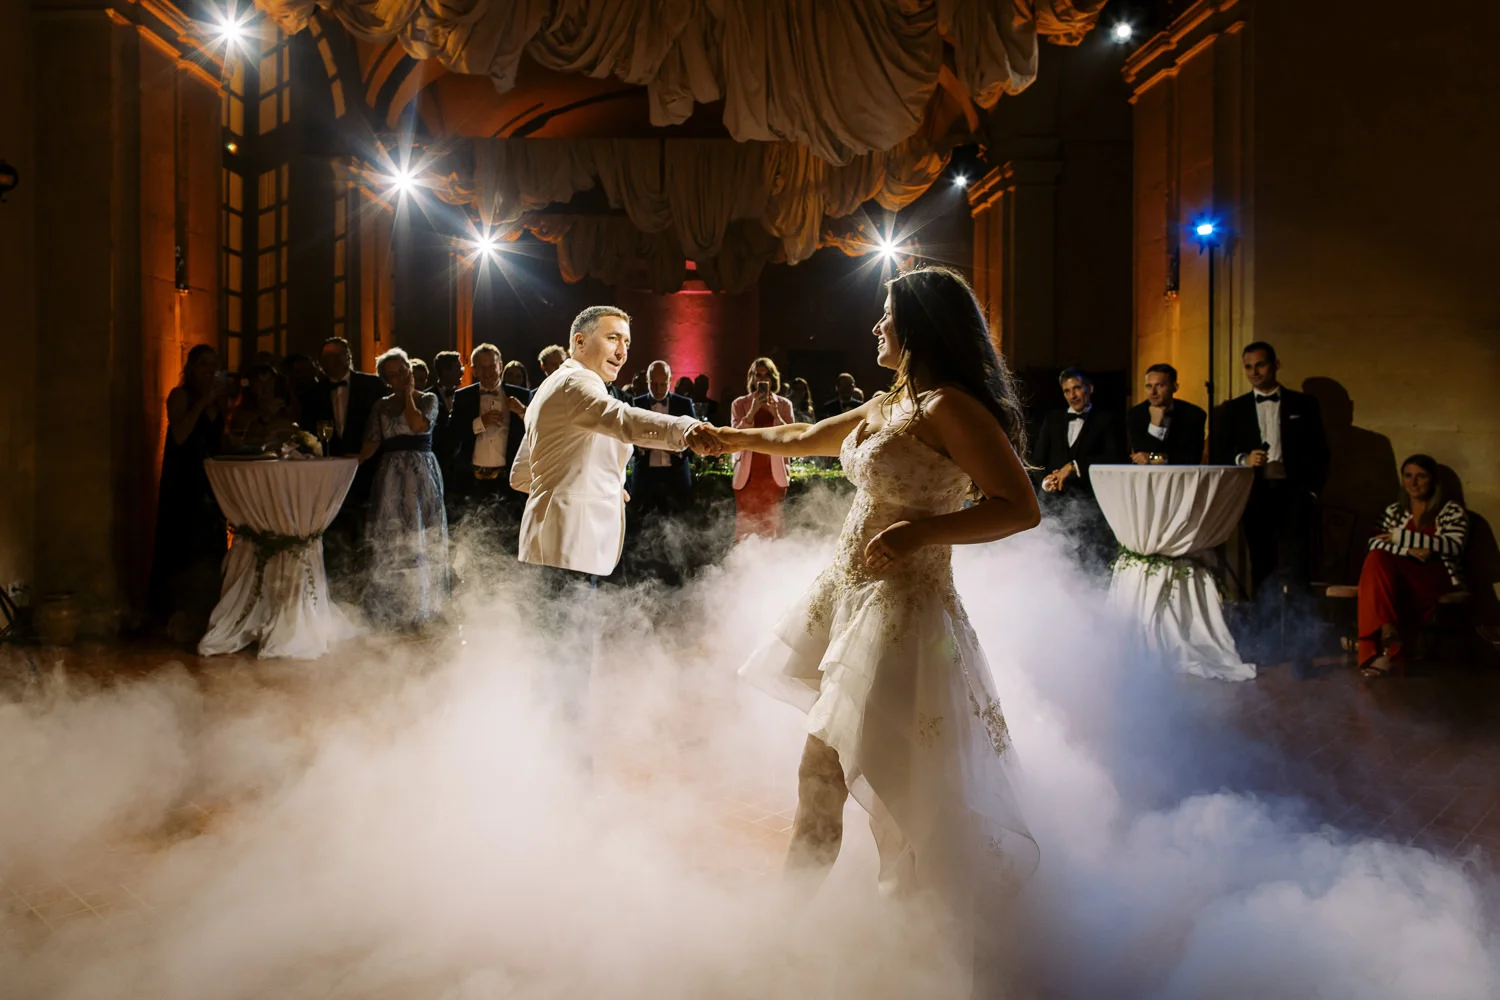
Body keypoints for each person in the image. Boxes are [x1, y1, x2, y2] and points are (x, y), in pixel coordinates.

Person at [706, 266, 1039, 952]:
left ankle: (925, 944)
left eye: (885, 315)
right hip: (847, 603)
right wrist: (726, 438)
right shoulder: (889, 404)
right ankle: (802, 931)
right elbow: (803, 440)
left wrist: (923, 530)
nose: (875, 326)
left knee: (886, 786)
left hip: (904, 619)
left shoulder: (949, 407)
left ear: (917, 326)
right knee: (826, 777)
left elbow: (1020, 508)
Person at [509, 307, 714, 766]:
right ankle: (567, 779)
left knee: (558, 663)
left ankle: (546, 766)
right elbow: (623, 420)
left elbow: (523, 474)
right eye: (612, 338)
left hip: (552, 542)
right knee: (567, 668)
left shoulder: (551, 387)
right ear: (579, 342)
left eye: (626, 340)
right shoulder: (579, 384)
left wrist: (599, 486)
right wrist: (688, 430)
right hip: (567, 547)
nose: (622, 350)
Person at [1213, 341, 1330, 600]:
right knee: (1261, 564)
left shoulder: (1304, 404)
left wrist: (1311, 493)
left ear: (1275, 365)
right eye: (1248, 367)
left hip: (1294, 494)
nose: (1254, 372)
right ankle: (1263, 631)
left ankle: (1301, 632)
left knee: (1298, 565)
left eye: (1260, 365)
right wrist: (1243, 459)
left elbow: (1320, 452)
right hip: (1255, 495)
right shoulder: (1234, 409)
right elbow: (1218, 453)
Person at [1356, 454, 1468, 678]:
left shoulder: (1450, 511)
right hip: (1400, 575)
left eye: (1421, 476)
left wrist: (1398, 537)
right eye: (1407, 476)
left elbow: (1453, 545)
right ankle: (1388, 631)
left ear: (1433, 480)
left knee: (1379, 566)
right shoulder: (1394, 511)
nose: (1413, 483)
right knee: (1376, 558)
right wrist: (1408, 550)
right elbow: (1374, 542)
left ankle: (1383, 647)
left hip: (1436, 576)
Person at [359, 348, 448, 628]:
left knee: (422, 532)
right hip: (391, 475)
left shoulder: (429, 399)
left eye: (404, 370)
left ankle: (423, 606)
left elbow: (419, 426)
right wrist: (344, 466)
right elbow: (372, 443)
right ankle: (393, 606)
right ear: (387, 380)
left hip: (422, 471)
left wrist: (408, 395)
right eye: (394, 374)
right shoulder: (380, 405)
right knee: (392, 532)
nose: (402, 376)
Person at [149, 345, 231, 638]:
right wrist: (202, 403)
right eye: (204, 364)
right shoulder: (179, 395)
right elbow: (180, 435)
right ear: (192, 368)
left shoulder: (219, 401)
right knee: (182, 542)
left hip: (209, 479)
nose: (210, 370)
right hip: (183, 479)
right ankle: (177, 614)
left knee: (210, 542)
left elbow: (218, 440)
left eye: (214, 365)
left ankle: (207, 611)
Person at [1030, 367, 1125, 570]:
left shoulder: (1106, 420)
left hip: (1090, 507)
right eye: (1067, 391)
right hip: (1053, 507)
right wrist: (1047, 481)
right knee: (1050, 565)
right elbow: (1037, 460)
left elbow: (1114, 458)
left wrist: (1074, 467)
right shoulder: (1052, 419)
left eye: (1077, 388)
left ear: (1089, 388)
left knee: (1088, 565)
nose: (1072, 395)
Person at [447, 343, 531, 555]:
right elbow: (452, 435)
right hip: (473, 482)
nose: (487, 372)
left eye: (491, 366)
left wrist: (522, 412)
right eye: (481, 367)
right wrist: (480, 423)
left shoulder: (520, 394)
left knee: (510, 539)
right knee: (475, 540)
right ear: (473, 369)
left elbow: (540, 432)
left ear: (500, 366)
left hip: (509, 482)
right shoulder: (464, 396)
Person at [730, 357, 795, 541]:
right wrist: (751, 412)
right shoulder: (739, 404)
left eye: (766, 375)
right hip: (747, 474)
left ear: (773, 378)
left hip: (774, 474)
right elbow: (735, 438)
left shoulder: (783, 405)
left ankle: (772, 565)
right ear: (752, 378)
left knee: (773, 524)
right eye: (758, 375)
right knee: (746, 525)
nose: (762, 379)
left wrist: (776, 416)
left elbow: (791, 439)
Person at [631, 361, 698, 517]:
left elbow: (696, 441)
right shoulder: (636, 404)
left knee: (679, 530)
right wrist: (640, 447)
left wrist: (679, 450)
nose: (659, 390)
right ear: (647, 381)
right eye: (654, 385)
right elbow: (624, 439)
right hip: (645, 479)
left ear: (670, 380)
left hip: (676, 479)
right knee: (641, 532)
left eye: (662, 384)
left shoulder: (684, 404)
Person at [1126, 363, 1206, 465]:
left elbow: (1191, 458)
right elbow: (1141, 457)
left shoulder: (1194, 414)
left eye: (1159, 386)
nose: (1153, 392)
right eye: (1149, 386)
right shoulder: (1135, 414)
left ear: (1175, 387)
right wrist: (1155, 425)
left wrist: (1153, 458)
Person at [224, 363, 296, 450]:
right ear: (251, 386)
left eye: (269, 381)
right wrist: (265, 414)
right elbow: (245, 439)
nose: (265, 386)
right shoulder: (241, 413)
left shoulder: (284, 410)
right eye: (259, 381)